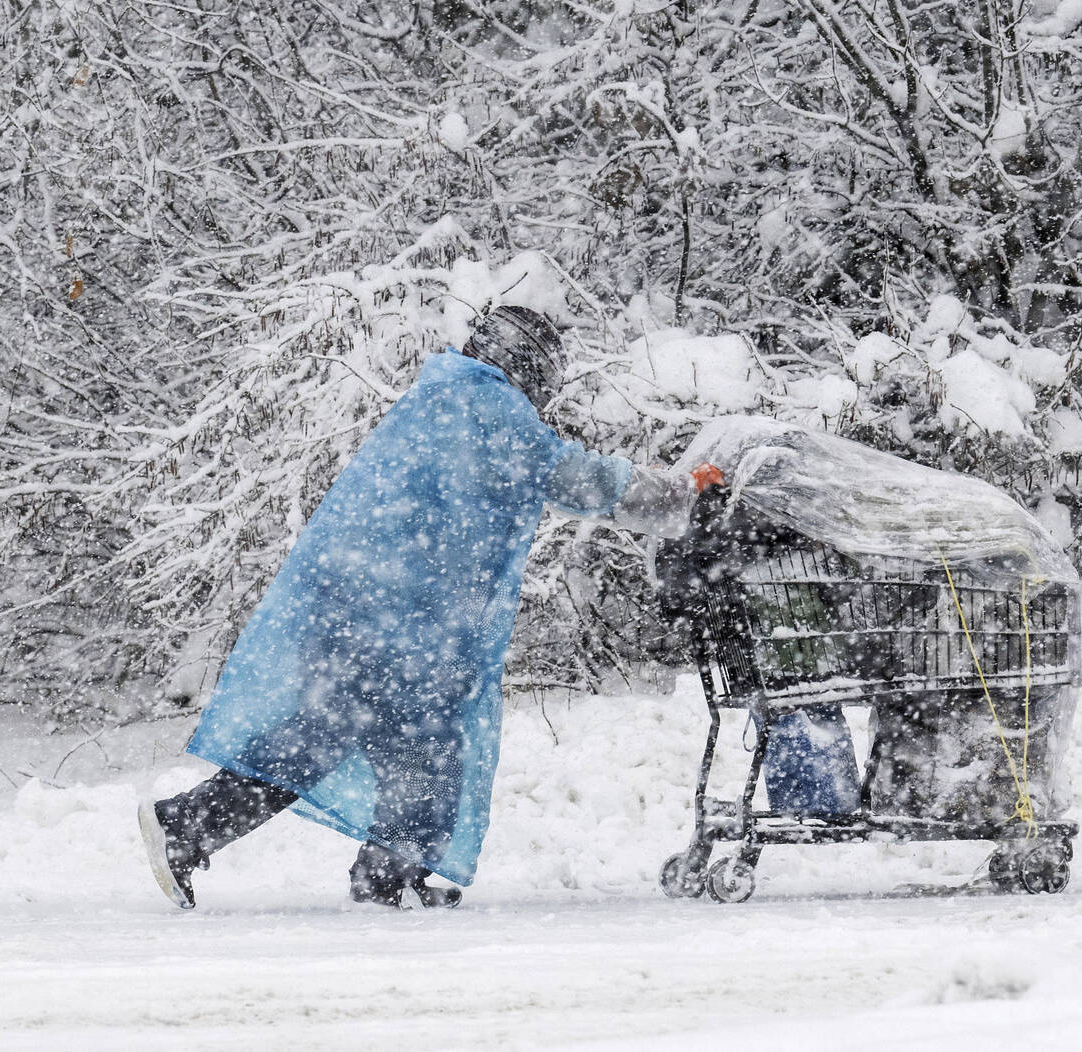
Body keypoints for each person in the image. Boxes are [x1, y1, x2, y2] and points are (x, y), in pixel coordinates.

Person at [139, 305, 723, 910]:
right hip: (396, 619)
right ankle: (214, 832)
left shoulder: (442, 397)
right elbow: (578, 478)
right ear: (527, 362)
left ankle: (367, 870)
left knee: (356, 737)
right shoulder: (490, 409)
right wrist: (680, 492)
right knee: (409, 741)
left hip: (364, 608)